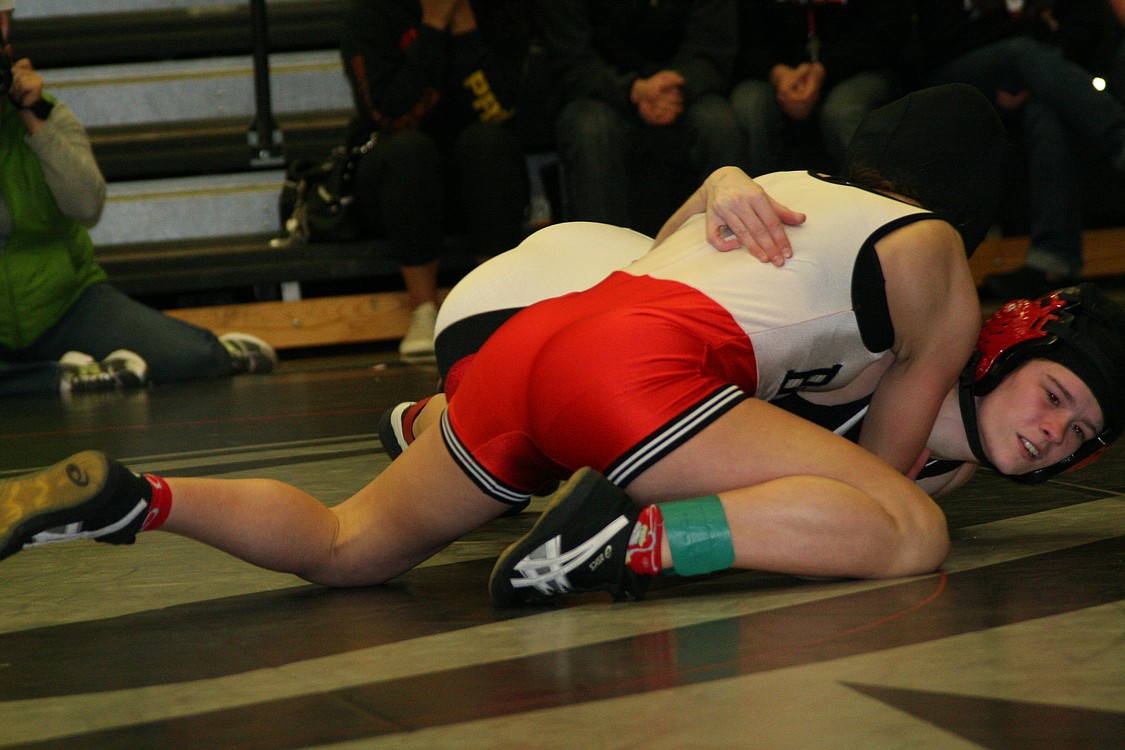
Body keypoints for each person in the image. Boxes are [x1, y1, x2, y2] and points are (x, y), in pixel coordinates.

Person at [0, 85, 1019, 608]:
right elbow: (876, 477)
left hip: (541, 343)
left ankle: (138, 497)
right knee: (908, 530)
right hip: (641, 371)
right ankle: (624, 541)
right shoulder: (939, 260)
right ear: (972, 200)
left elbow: (663, 250)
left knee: (347, 548)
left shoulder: (782, 185)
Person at [0, 5, 276, 398]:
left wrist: (33, 116)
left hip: (65, 302)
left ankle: (61, 375)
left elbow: (87, 206)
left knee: (193, 358)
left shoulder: (45, 111)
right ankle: (57, 377)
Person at [340, 0, 532, 361]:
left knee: (488, 142)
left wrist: (465, 31)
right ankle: (422, 311)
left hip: (473, 183)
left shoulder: (498, 12)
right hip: (396, 184)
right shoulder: (372, 14)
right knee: (411, 151)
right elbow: (391, 116)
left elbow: (501, 110)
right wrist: (431, 27)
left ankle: (496, 307)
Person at [916, 0, 1125, 300]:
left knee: (1047, 112)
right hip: (956, 72)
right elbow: (941, 40)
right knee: (1020, 51)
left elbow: (1077, 31)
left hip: (1037, 74)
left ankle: (1052, 262)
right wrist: (1031, 30)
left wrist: (1033, 71)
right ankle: (1118, 139)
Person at [539, 0, 747, 235]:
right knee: (591, 129)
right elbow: (569, 59)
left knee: (719, 124)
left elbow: (714, 49)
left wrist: (676, 85)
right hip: (601, 94)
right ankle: (604, 253)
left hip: (683, 89)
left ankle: (733, 246)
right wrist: (632, 90)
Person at [730, 0, 915, 175]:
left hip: (860, 68)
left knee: (844, 109)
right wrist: (778, 74)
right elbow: (744, 38)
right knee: (750, 103)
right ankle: (754, 198)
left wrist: (822, 70)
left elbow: (885, 36)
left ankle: (876, 194)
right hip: (774, 72)